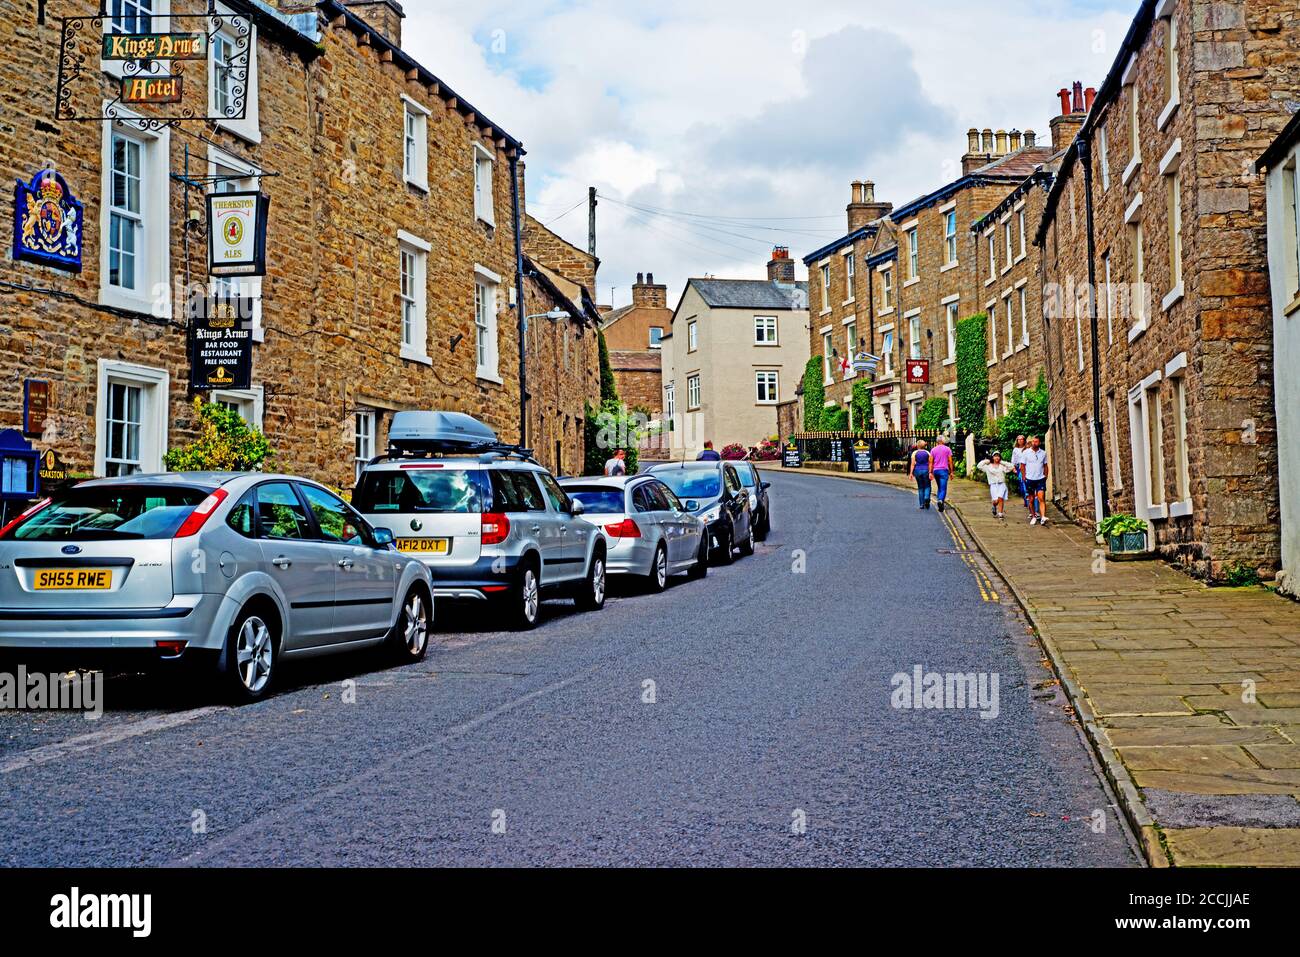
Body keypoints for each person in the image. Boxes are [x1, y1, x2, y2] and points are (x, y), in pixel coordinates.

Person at [978, 452, 1016, 519]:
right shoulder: (988, 466)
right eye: (995, 456)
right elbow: (979, 466)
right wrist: (988, 461)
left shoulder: (1002, 466)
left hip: (1001, 484)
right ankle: (994, 506)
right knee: (996, 501)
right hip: (993, 485)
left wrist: (1002, 462)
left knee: (1000, 498)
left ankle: (1000, 513)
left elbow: (1011, 466)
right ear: (992, 457)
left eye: (998, 456)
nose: (997, 457)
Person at [1023, 435, 1049, 525]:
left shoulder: (1043, 453)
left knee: (1041, 497)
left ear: (1039, 442)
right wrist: (1024, 476)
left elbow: (1045, 465)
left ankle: (1042, 517)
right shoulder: (1026, 453)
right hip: (1029, 478)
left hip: (1040, 478)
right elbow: (1022, 466)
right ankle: (1034, 516)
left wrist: (1045, 476)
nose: (1034, 443)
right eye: (1033, 441)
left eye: (1036, 441)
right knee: (1031, 499)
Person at [930, 435, 953, 513]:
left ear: (937, 441)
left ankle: (940, 503)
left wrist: (930, 472)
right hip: (944, 470)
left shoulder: (933, 450)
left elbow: (931, 462)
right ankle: (940, 500)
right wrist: (951, 472)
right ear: (943, 441)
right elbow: (950, 461)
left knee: (939, 487)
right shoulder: (947, 449)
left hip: (936, 471)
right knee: (943, 488)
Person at [909, 440, 933, 510]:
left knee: (920, 487)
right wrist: (930, 472)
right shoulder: (927, 453)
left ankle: (921, 504)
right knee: (927, 486)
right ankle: (926, 498)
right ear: (924, 446)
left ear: (917, 446)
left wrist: (911, 473)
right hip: (926, 470)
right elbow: (930, 463)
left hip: (917, 471)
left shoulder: (914, 453)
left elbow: (912, 464)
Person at [1010, 435, 1030, 510]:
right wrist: (1013, 468)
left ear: (1024, 440)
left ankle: (1029, 501)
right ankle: (1025, 499)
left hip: (1028, 467)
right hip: (1019, 468)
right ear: (1017, 441)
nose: (1021, 441)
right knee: (1022, 485)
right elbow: (1013, 460)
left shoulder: (1028, 448)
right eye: (1019, 439)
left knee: (1028, 483)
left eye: (1022, 439)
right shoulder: (1015, 450)